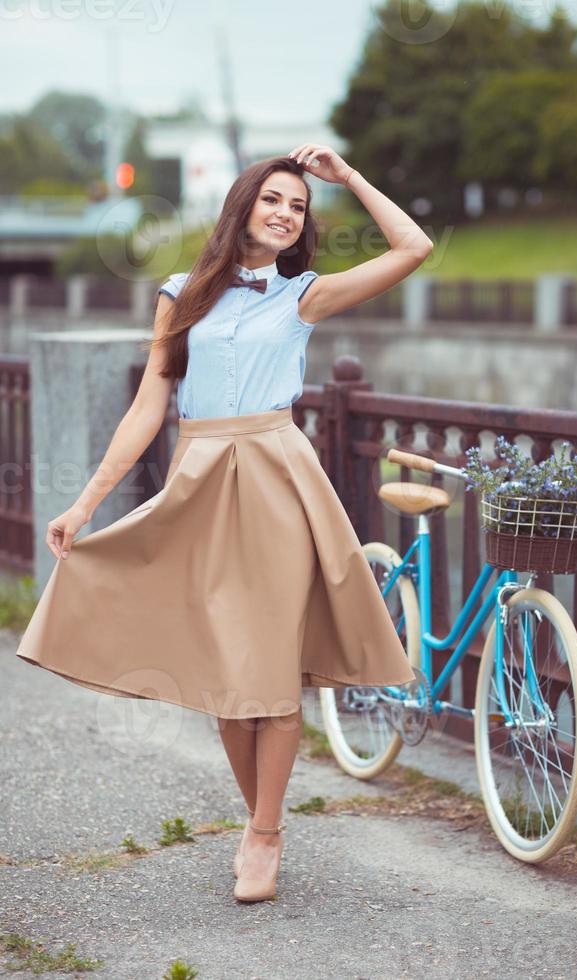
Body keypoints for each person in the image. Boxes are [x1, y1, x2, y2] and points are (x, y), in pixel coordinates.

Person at [15, 143, 433, 903]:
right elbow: (151, 405)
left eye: (298, 206)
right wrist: (85, 501)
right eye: (273, 198)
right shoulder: (181, 296)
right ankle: (259, 818)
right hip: (200, 479)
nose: (285, 213)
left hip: (277, 479)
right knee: (222, 676)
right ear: (241, 206)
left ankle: (265, 834)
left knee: (271, 672)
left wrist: (350, 179)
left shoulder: (303, 295)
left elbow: (415, 247)